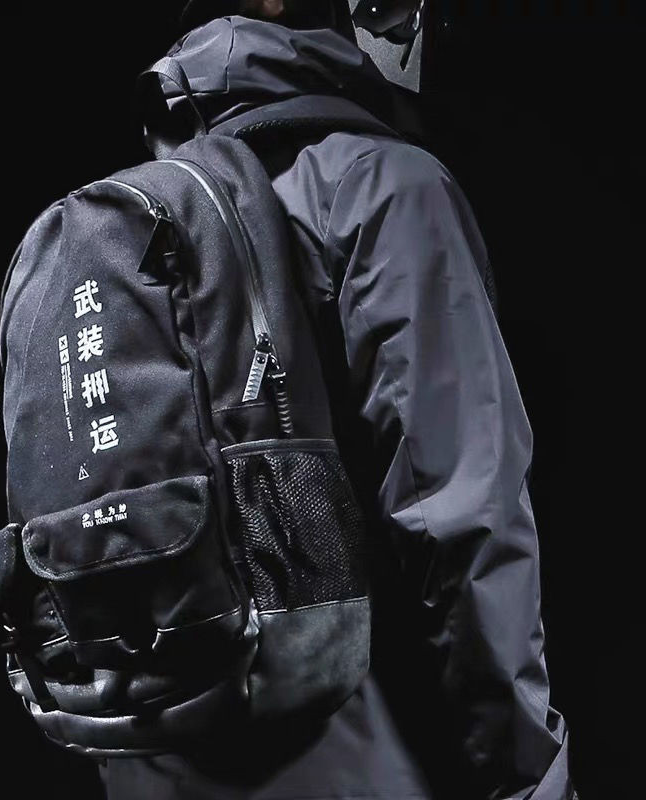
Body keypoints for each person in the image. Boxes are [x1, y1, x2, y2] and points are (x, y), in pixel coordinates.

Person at [98, 1, 577, 797]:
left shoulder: (122, 224)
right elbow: (464, 520)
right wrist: (528, 780)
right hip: (364, 762)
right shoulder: (379, 186)